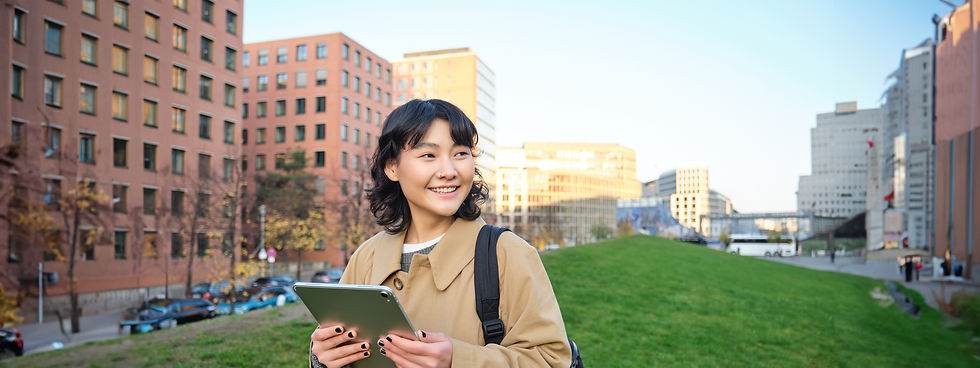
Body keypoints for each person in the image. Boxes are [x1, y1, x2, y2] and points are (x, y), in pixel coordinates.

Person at [309, 99, 572, 367]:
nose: (449, 171)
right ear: (392, 167)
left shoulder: (506, 252)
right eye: (428, 155)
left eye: (461, 153)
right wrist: (323, 358)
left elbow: (552, 360)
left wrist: (457, 360)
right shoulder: (367, 256)